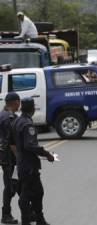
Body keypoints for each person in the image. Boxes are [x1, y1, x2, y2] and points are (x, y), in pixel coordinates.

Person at [12, 98, 54, 225]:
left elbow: (12, 142)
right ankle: (29, 219)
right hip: (29, 165)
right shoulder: (27, 124)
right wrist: (46, 154)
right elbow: (30, 145)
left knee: (36, 192)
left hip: (22, 163)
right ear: (33, 109)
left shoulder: (17, 121)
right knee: (28, 193)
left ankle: (39, 218)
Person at [0, 93, 20, 224]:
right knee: (10, 186)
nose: (20, 105)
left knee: (17, 183)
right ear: (15, 102)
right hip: (9, 157)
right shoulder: (10, 117)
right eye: (19, 102)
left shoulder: (2, 114)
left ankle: (29, 211)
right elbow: (12, 142)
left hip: (4, 155)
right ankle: (5, 215)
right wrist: (19, 159)